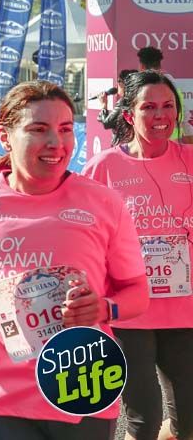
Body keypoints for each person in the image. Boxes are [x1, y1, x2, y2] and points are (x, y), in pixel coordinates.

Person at [0, 81, 149, 440]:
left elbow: (137, 293)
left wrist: (104, 308)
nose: (56, 143)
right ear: (5, 136)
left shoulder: (103, 203)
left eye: (65, 129)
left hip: (82, 382)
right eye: (38, 129)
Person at [83, 71, 193, 440]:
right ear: (129, 114)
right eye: (149, 107)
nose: (160, 115)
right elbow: (82, 233)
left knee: (188, 422)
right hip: (128, 309)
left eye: (168, 106)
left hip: (184, 308)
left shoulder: (190, 160)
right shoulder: (103, 167)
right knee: (143, 418)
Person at [97, 68, 136, 145]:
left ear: (123, 84)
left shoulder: (123, 102)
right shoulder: (136, 99)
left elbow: (107, 123)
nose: (116, 86)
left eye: (118, 81)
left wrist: (104, 105)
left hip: (123, 144)